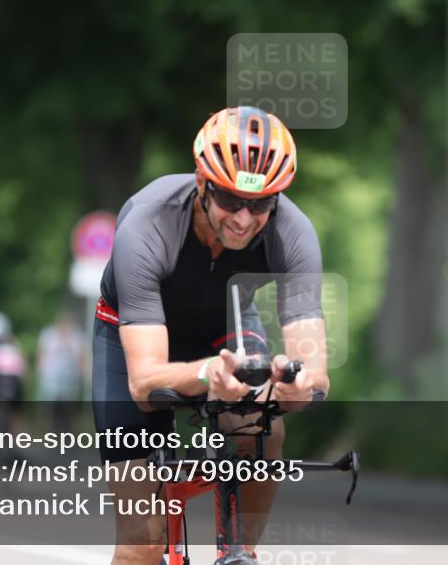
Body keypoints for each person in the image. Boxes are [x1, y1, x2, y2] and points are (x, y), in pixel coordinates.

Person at [92, 106, 329, 564]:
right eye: (230, 200)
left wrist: (295, 385)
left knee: (263, 427)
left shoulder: (293, 233)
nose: (243, 218)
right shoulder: (147, 224)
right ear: (202, 182)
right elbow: (145, 384)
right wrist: (206, 376)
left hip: (226, 327)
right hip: (131, 338)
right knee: (142, 540)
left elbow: (314, 371)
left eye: (260, 204)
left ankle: (242, 552)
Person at [36, 310, 88, 431]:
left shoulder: (77, 336)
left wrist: (82, 374)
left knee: (68, 406)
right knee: (49, 404)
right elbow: (41, 354)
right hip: (51, 376)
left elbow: (81, 357)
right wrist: (40, 371)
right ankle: (50, 429)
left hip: (70, 376)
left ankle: (67, 429)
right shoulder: (48, 334)